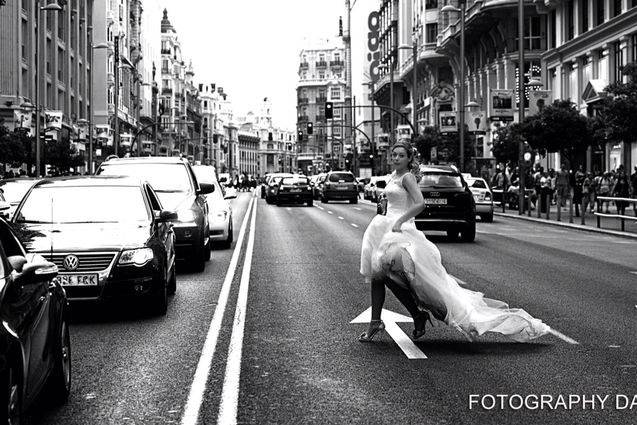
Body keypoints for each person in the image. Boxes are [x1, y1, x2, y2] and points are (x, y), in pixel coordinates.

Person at [358, 140, 550, 343]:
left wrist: (400, 221)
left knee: (412, 282)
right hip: (383, 228)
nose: (396, 158)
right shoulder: (393, 177)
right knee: (379, 275)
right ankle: (379, 321)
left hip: (400, 231)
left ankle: (416, 314)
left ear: (409, 159)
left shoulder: (407, 177)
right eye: (394, 154)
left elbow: (420, 203)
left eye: (401, 155)